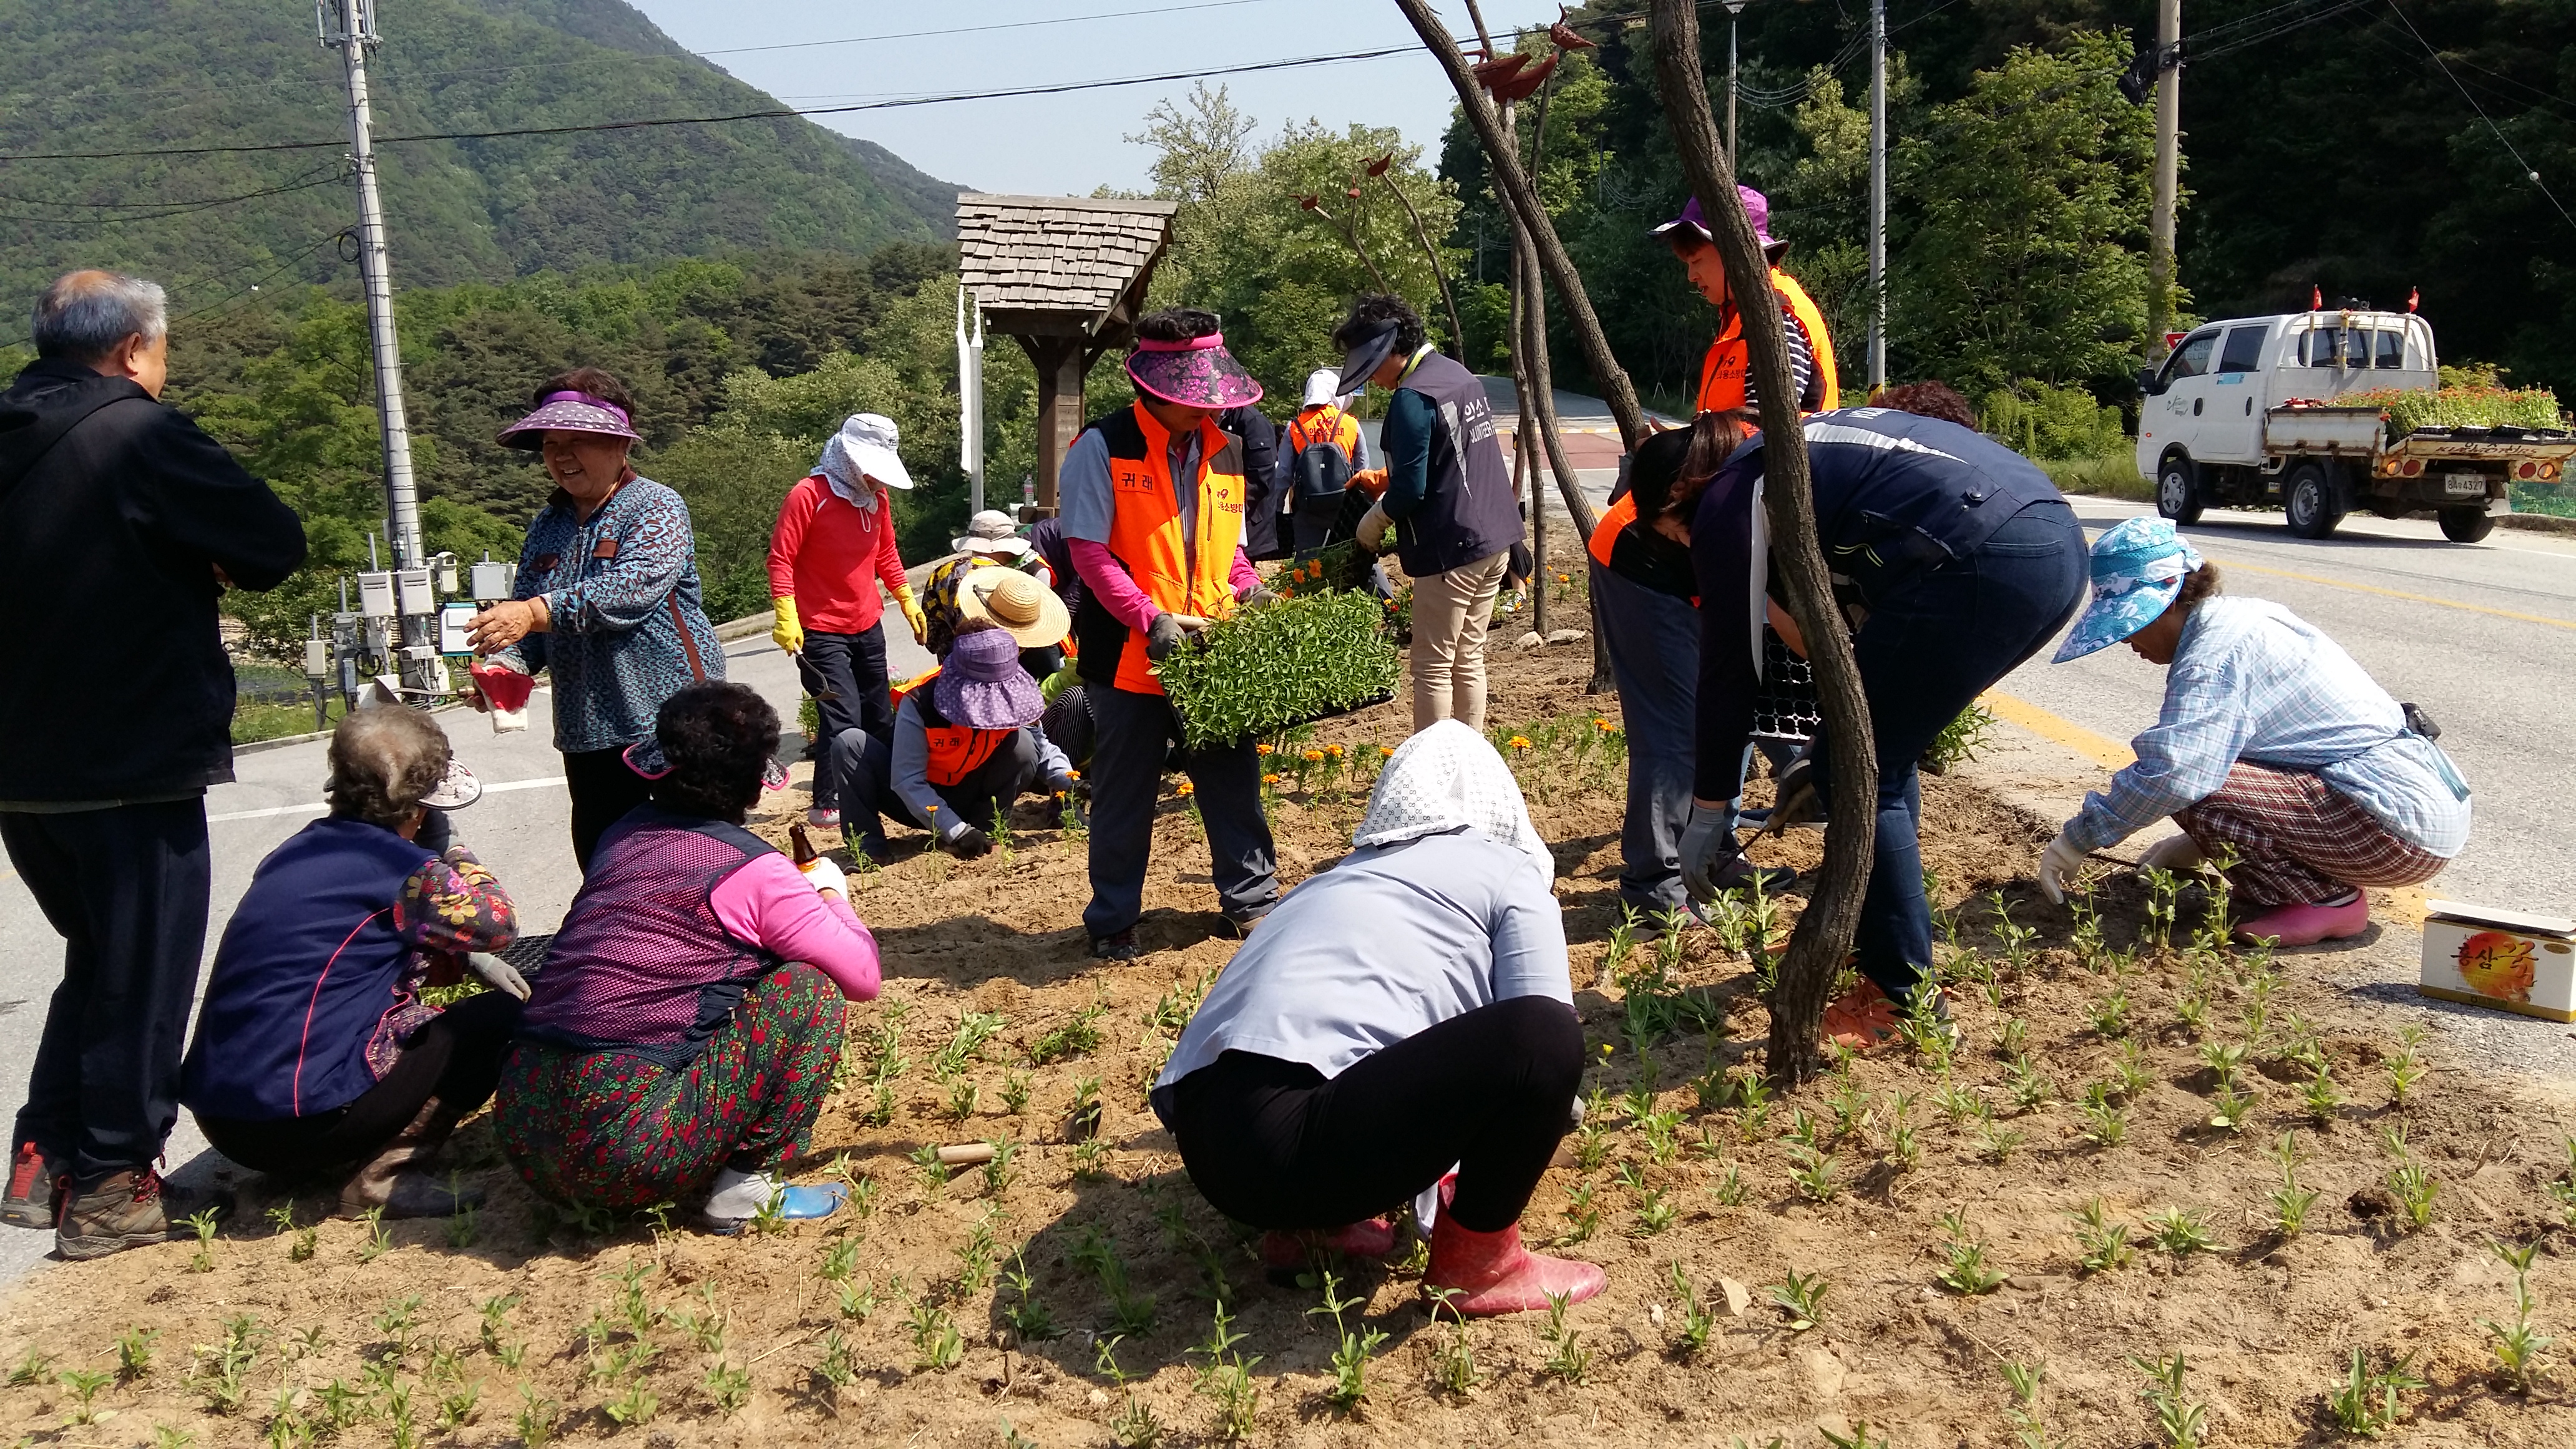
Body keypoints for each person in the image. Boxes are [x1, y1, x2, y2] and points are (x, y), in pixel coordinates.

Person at [0, 269, 308, 1259]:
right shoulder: (141, 434)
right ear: (135, 349)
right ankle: (113, 1188)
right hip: (130, 756)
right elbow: (272, 544)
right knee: (143, 973)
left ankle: (43, 1157)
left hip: (19, 769)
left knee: (98, 956)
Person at [1666, 407, 2085, 1045]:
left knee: (1864, 769)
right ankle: (1870, 947)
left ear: (1680, 495)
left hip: (1982, 552)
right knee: (1876, 754)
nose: (1688, 553)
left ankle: (1901, 997)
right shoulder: (1800, 464)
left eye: (1675, 538)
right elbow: (1842, 648)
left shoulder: (1730, 496)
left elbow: (1729, 669)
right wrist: (1824, 751)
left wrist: (1709, 813)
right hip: (2050, 544)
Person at [1154, 723, 1601, 1315]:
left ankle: (1312, 1227)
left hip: (1209, 1146)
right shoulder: (1507, 870)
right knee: (1547, 1036)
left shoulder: (1331, 881)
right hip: (1303, 1145)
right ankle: (1480, 1262)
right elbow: (1540, 1033)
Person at [495, 682, 881, 1231]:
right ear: (756, 787)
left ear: (659, 765)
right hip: (625, 1154)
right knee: (806, 989)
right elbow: (863, 976)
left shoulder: (620, 837)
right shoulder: (756, 871)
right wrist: (831, 895)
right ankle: (745, 1189)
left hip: (524, 1132)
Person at [2036, 519, 2469, 944]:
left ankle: (2327, 901)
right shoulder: (2242, 617)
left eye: (2132, 625)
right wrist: (2195, 844)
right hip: (2411, 810)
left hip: (2396, 828)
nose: (2126, 641)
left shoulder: (2214, 657)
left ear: (2168, 603)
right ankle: (2295, 886)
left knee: (2191, 779)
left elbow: (2175, 772)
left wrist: (2076, 840)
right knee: (2206, 759)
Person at [182, 710, 524, 1218]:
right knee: (499, 1017)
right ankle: (386, 1175)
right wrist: (451, 851)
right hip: (301, 1127)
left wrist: (465, 956)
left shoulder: (294, 850)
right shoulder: (405, 871)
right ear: (423, 806)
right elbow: (499, 924)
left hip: (226, 1123)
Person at [1061, 307, 1279, 960]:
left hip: (1210, 651)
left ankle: (1252, 902)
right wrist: (1148, 617)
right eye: (1195, 396)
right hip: (1130, 656)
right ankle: (1113, 920)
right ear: (1154, 388)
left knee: (1233, 782)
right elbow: (1088, 552)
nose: (1209, 407)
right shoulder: (1102, 446)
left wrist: (1251, 589)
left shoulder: (1226, 450)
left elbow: (1230, 552)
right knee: (1124, 795)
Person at [466, 369, 725, 871]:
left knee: (695, 856)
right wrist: (504, 667)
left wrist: (533, 613)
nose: (561, 456)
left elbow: (630, 590)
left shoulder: (656, 506)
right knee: (606, 864)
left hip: (671, 719)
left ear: (619, 445)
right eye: (550, 445)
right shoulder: (547, 525)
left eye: (577, 441)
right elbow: (527, 619)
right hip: (586, 730)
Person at [1585, 414, 1787, 919]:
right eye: (1680, 535)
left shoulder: (1773, 469)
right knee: (1673, 731)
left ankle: (1714, 856)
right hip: (1635, 566)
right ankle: (1657, 890)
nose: (1686, 540)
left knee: (1728, 708)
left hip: (1689, 557)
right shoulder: (1671, 520)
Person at [1339, 294, 1524, 732]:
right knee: (1469, 656)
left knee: (1433, 665)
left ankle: (1432, 765)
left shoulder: (1412, 396)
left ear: (1391, 349)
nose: (1373, 378)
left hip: (1451, 548)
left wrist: (1372, 524)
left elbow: (1411, 489)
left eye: (1372, 365)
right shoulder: (1458, 375)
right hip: (1495, 539)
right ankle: (1470, 757)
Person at [766, 413, 929, 831]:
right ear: (849, 459)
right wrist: (787, 615)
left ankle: (890, 789)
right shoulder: (808, 495)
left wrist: (907, 600)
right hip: (820, 629)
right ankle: (829, 801)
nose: (876, 480)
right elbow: (781, 560)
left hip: (867, 622)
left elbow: (887, 555)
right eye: (871, 470)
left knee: (878, 714)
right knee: (842, 716)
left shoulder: (878, 500)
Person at [834, 609, 1080, 861]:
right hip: (914, 802)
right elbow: (907, 779)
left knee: (1024, 744)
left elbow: (1041, 746)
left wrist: (1071, 782)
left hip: (973, 796)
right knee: (850, 743)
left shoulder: (1014, 698)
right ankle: (868, 851)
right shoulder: (921, 701)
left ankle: (986, 833)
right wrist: (957, 831)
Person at [1654, 188, 1838, 415]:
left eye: (1697, 261)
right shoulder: (1747, 313)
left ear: (1735, 254)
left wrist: (1688, 439)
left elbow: (1767, 428)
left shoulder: (1777, 316)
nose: (1691, 276)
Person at [922, 509, 1055, 670]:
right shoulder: (1002, 577)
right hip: (997, 662)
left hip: (954, 662)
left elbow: (930, 633)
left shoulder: (943, 572)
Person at [1279, 368, 1373, 553]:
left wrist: (1275, 510)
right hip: (1345, 507)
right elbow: (1363, 470)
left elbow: (1283, 475)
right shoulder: (1351, 424)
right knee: (1353, 558)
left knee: (1307, 562)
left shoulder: (1295, 427)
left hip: (1308, 508)